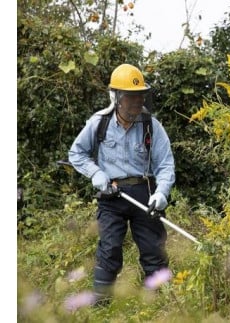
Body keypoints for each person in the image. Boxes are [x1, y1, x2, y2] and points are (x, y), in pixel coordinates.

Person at [68, 63, 175, 305]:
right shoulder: (99, 122)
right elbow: (77, 153)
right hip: (111, 195)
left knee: (153, 249)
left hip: (144, 194)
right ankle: (101, 306)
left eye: (141, 96)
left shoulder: (151, 125)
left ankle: (161, 305)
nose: (138, 102)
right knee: (110, 248)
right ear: (116, 97)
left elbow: (165, 164)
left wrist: (161, 193)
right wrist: (95, 173)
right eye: (132, 96)